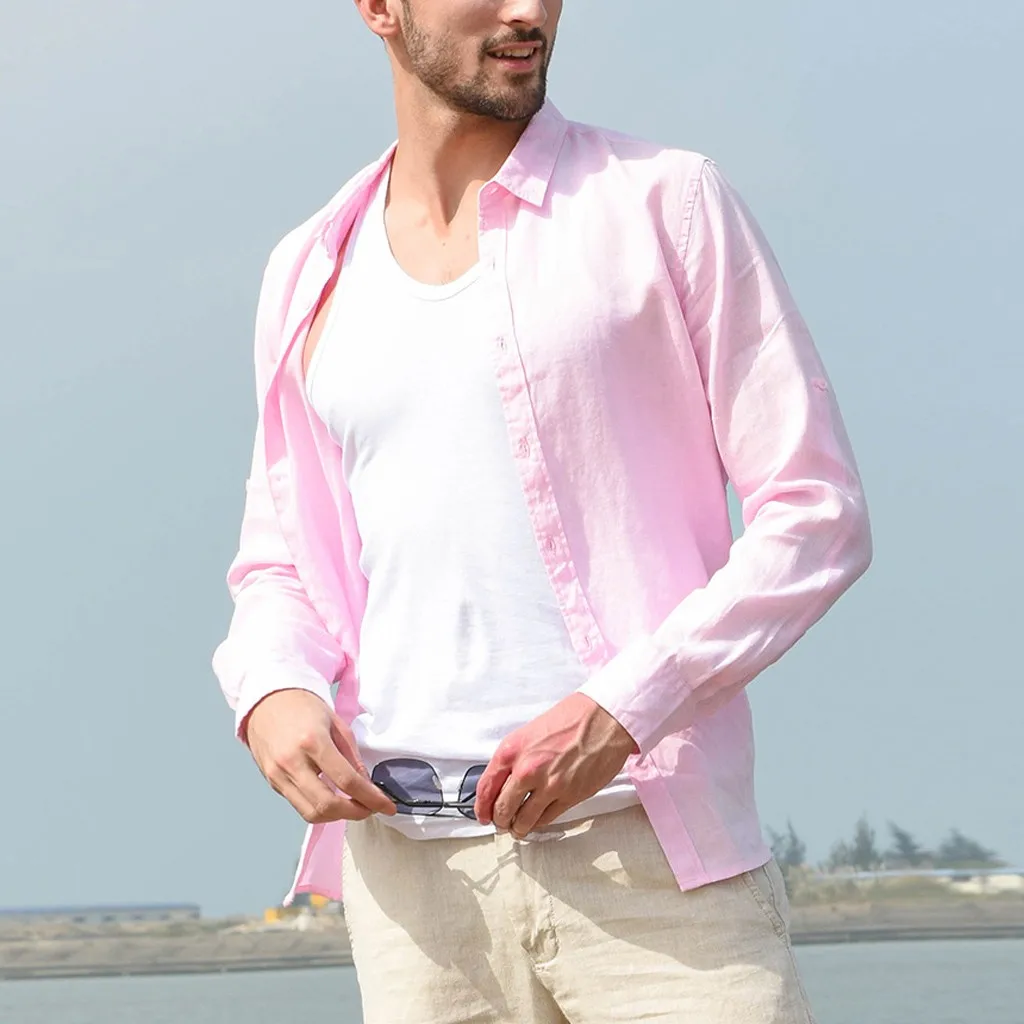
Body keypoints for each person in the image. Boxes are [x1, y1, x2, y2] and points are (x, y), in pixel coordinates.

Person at [213, 1, 872, 1020]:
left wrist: (622, 709)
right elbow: (281, 560)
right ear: (378, 8)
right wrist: (271, 691)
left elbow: (815, 511)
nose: (527, 10)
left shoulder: (664, 201)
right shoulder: (309, 268)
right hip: (414, 896)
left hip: (649, 868)